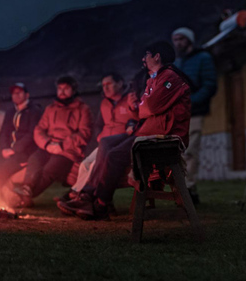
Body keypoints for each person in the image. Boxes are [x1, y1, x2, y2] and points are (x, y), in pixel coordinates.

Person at [59, 42, 192, 220]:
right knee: (105, 142)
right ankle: (88, 195)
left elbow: (150, 106)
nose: (143, 59)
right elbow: (141, 110)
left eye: (147, 54)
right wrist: (138, 107)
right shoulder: (153, 78)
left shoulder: (170, 77)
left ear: (157, 56)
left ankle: (101, 204)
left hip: (162, 135)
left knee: (114, 155)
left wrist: (142, 106)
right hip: (147, 130)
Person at [7, 76, 92, 209]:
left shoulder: (82, 109)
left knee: (49, 170)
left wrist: (62, 145)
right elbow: (39, 129)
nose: (62, 91)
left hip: (68, 151)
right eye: (60, 88)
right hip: (49, 147)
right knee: (34, 159)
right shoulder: (51, 108)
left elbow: (85, 133)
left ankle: (24, 197)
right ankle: (26, 188)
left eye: (66, 88)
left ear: (73, 90)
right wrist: (47, 144)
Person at [55, 72, 138, 205]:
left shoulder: (131, 99)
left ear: (120, 83)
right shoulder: (105, 103)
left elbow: (137, 120)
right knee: (85, 164)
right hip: (105, 143)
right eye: (103, 85)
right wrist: (99, 135)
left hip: (121, 144)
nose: (105, 88)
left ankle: (83, 196)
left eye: (109, 84)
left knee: (94, 166)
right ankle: (75, 192)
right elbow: (99, 124)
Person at [172, 27, 216, 204]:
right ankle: (186, 189)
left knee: (190, 151)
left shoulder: (203, 58)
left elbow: (210, 85)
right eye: (175, 39)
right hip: (178, 114)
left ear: (189, 40)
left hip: (195, 112)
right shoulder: (177, 62)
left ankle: (188, 189)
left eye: (181, 39)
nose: (178, 43)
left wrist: (191, 102)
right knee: (179, 153)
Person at [0, 83, 43, 209]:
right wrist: (4, 149)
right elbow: (4, 132)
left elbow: (31, 134)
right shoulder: (10, 112)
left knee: (2, 171)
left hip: (25, 152)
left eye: (19, 92)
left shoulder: (34, 111)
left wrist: (14, 149)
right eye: (14, 93)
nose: (16, 95)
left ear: (27, 95)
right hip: (8, 152)